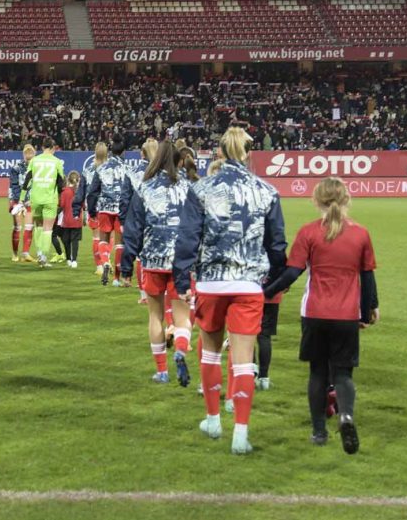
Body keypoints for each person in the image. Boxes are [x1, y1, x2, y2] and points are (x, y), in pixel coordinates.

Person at [174, 127, 287, 455]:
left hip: (211, 282)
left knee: (209, 352)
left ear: (220, 152)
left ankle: (212, 419)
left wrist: (183, 280)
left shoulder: (202, 188)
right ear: (249, 153)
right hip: (249, 284)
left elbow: (187, 237)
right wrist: (273, 279)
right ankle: (240, 432)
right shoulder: (266, 190)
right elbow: (277, 244)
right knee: (241, 360)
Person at [263, 177, 378, 454]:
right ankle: (346, 416)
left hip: (314, 312)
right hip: (346, 314)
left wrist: (267, 292)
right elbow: (367, 275)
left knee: (317, 372)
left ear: (316, 200)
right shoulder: (360, 233)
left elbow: (293, 272)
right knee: (343, 373)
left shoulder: (309, 232)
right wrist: (368, 308)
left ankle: (318, 432)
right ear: (346, 199)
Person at [119, 141, 194, 387]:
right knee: (183, 316)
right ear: (178, 160)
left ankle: (161, 371)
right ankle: (181, 349)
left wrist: (127, 266)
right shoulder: (189, 187)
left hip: (152, 260)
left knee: (155, 316)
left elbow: (133, 229)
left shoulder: (145, 188)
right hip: (182, 261)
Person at [87, 138, 130, 286]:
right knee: (120, 244)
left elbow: (93, 192)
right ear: (124, 152)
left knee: (103, 239)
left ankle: (105, 262)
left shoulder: (101, 168)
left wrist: (92, 211)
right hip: (121, 209)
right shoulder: (127, 168)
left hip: (105, 208)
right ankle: (117, 279)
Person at [120, 138, 159, 301]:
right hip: (158, 217)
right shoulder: (162, 171)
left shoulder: (132, 171)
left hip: (136, 215)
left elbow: (125, 196)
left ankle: (144, 293)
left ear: (141, 153)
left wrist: (123, 219)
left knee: (140, 254)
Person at [23, 137, 66, 268]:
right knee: (48, 228)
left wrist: (21, 199)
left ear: (42, 148)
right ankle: (43, 257)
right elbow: (61, 183)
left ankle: (39, 251)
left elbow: (27, 181)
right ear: (53, 148)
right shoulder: (57, 162)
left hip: (35, 198)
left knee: (39, 226)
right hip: (50, 199)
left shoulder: (34, 160)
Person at [8, 145, 36, 262]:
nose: (29, 156)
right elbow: (13, 185)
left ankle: (26, 254)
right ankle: (15, 254)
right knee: (17, 227)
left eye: (31, 154)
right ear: (23, 154)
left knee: (29, 226)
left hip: (31, 201)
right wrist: (13, 201)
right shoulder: (16, 168)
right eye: (27, 154)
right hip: (18, 200)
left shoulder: (37, 167)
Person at [82, 143, 107, 271]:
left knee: (96, 237)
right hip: (107, 207)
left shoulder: (88, 170)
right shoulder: (109, 169)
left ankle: (99, 267)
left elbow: (84, 190)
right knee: (107, 237)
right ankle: (106, 261)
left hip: (92, 207)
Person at [56, 171, 85, 269]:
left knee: (66, 240)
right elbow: (84, 206)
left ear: (68, 180)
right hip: (77, 220)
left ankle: (68, 259)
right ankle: (74, 260)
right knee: (75, 241)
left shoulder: (65, 192)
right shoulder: (80, 192)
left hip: (67, 221)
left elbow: (62, 205)